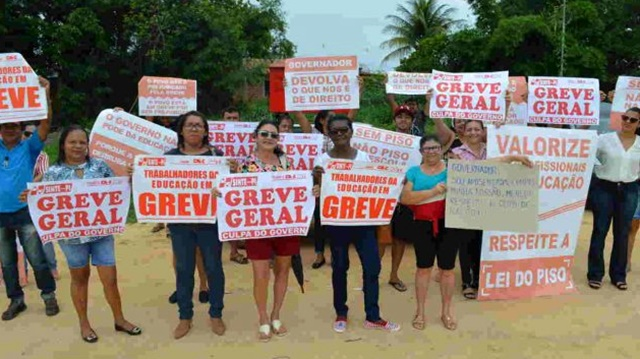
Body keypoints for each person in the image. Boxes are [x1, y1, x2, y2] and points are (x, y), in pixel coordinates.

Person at [21, 125, 141, 343]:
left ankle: (120, 319)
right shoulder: (53, 173)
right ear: (63, 145)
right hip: (72, 239)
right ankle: (84, 324)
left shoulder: (100, 166)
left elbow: (118, 189)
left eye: (82, 142)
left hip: (102, 234)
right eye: (72, 142)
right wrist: (31, 194)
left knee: (110, 279)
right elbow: (41, 196)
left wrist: (131, 178)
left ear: (88, 145)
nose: (77, 146)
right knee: (80, 278)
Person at [400, 135, 532, 331]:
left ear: (441, 149)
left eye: (435, 147)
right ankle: (420, 311)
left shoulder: (455, 168)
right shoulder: (413, 172)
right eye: (427, 148)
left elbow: (485, 166)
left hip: (450, 224)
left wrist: (512, 157)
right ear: (421, 152)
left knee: (447, 270)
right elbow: (406, 198)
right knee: (423, 269)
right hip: (422, 226)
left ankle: (446, 311)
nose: (432, 152)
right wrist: (435, 191)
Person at [215, 119, 309, 342]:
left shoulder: (288, 162)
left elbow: (298, 191)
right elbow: (232, 194)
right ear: (255, 137)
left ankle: (276, 314)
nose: (269, 138)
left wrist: (311, 189)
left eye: (273, 135)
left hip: (285, 226)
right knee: (261, 274)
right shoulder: (242, 166)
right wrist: (221, 192)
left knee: (282, 271)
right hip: (256, 228)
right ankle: (263, 317)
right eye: (264, 134)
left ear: (278, 140)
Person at [314, 115, 400, 333]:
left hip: (363, 223)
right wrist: (317, 182)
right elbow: (318, 193)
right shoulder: (322, 161)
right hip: (337, 224)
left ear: (351, 132)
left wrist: (396, 183)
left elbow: (374, 186)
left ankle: (373, 315)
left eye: (344, 130)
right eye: (335, 131)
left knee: (372, 267)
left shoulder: (364, 157)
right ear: (328, 134)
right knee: (340, 268)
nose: (340, 134)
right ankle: (341, 312)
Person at [158, 111, 227, 339]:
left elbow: (228, 189)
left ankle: (215, 313)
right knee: (184, 270)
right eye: (190, 125)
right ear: (181, 130)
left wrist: (229, 177)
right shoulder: (168, 157)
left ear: (206, 131)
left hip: (210, 223)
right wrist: (136, 174)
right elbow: (155, 184)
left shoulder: (218, 156)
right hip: (181, 224)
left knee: (214, 268)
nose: (194, 129)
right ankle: (185, 316)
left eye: (199, 125)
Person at [0, 76, 59, 321]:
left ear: (21, 127)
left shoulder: (30, 147)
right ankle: (16, 300)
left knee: (37, 258)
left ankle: (48, 296)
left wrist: (45, 93)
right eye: (5, 125)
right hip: (1, 215)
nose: (10, 129)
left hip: (25, 211)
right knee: (8, 263)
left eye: (14, 125)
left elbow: (45, 122)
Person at [587, 107, 640, 291]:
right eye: (625, 117)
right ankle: (595, 274)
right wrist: (596, 168)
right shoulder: (604, 140)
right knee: (599, 230)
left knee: (622, 233)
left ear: (638, 124)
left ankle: (618, 275)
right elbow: (586, 154)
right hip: (604, 188)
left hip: (629, 190)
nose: (627, 121)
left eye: (632, 120)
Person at [378, 105, 419, 293]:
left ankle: (394, 275)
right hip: (384, 197)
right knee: (381, 239)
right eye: (400, 117)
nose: (403, 120)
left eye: (407, 117)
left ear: (412, 121)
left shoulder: (418, 143)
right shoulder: (382, 142)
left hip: (405, 198)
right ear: (394, 120)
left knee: (400, 240)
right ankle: (373, 275)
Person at [448, 120, 487, 299]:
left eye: (476, 129)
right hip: (464, 206)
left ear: (483, 131)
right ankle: (466, 281)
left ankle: (479, 279)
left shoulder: (492, 150)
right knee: (465, 244)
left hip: (488, 205)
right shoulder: (455, 153)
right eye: (469, 129)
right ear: (464, 131)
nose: (473, 132)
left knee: (481, 243)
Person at [22, 126, 58, 280]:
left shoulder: (42, 155)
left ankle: (52, 267)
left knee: (43, 234)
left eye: (33, 134)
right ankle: (21, 271)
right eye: (27, 133)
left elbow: (43, 174)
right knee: (16, 239)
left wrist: (26, 185)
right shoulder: (14, 152)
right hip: (16, 200)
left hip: (36, 199)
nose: (30, 136)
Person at [221, 106, 249, 265]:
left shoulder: (247, 136)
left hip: (243, 178)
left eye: (235, 118)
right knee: (230, 213)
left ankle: (241, 243)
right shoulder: (214, 137)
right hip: (223, 180)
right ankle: (233, 251)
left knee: (242, 213)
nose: (232, 121)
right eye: (228, 118)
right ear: (222, 120)